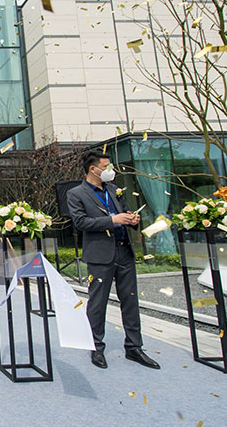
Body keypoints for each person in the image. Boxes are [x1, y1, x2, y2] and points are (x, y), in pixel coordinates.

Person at [66, 151, 160, 370]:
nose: (111, 170)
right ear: (93, 169)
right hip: (100, 254)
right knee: (98, 302)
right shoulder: (76, 193)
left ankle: (134, 347)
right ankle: (96, 347)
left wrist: (131, 219)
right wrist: (112, 220)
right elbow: (81, 222)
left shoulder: (114, 190)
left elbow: (124, 211)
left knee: (130, 300)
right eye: (106, 166)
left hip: (124, 250)